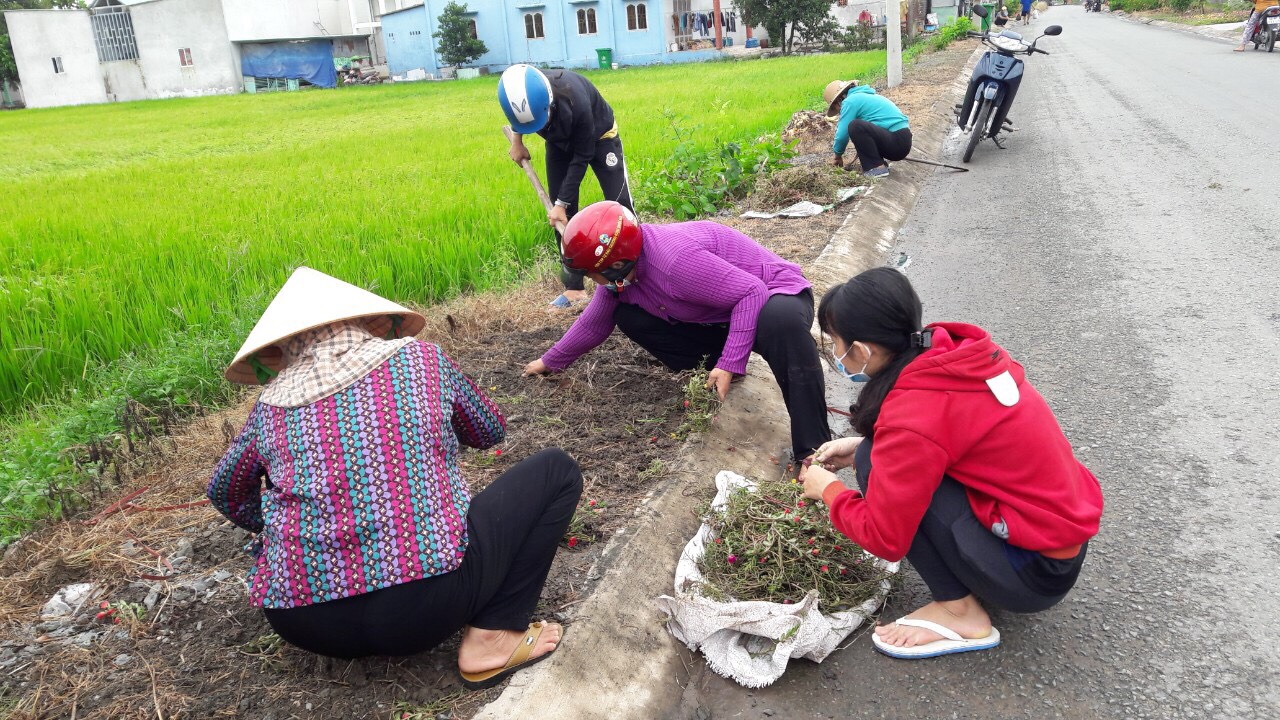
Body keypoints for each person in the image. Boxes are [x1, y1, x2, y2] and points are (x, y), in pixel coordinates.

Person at [208, 267, 583, 689]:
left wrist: (274, 526)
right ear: (366, 321)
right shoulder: (418, 358)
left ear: (284, 347)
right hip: (421, 609)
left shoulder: (270, 406)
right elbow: (488, 430)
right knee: (557, 469)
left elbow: (225, 492)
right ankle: (493, 636)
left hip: (303, 622)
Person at [799, 268, 1103, 659]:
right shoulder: (951, 359)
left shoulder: (913, 413)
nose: (837, 355)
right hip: (1056, 540)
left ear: (862, 350)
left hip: (1033, 573)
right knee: (873, 452)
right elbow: (951, 437)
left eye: (836, 345)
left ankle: (960, 612)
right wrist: (863, 444)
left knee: (874, 464)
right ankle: (976, 576)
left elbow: (884, 539)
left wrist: (829, 490)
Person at [521, 200, 831, 466]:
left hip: (774, 294)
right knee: (628, 315)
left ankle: (814, 452)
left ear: (615, 263)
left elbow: (752, 292)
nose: (592, 281)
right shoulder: (621, 280)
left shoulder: (674, 263)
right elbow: (593, 323)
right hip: (719, 314)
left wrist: (731, 360)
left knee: (780, 324)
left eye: (592, 273)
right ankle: (718, 370)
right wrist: (549, 362)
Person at [498, 64, 635, 308]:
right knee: (559, 216)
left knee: (620, 204)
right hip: (558, 142)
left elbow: (582, 156)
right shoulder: (523, 94)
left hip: (599, 137)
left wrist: (562, 202)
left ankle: (633, 274)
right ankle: (574, 288)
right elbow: (520, 118)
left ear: (549, 103)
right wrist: (517, 141)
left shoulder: (576, 100)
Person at [824, 80, 912, 179]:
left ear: (838, 101)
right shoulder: (864, 96)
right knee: (859, 127)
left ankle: (876, 168)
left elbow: (842, 135)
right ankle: (878, 163)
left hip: (896, 141)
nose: (839, 111)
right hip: (902, 140)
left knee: (855, 126)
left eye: (836, 109)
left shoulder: (850, 101)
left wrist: (837, 156)